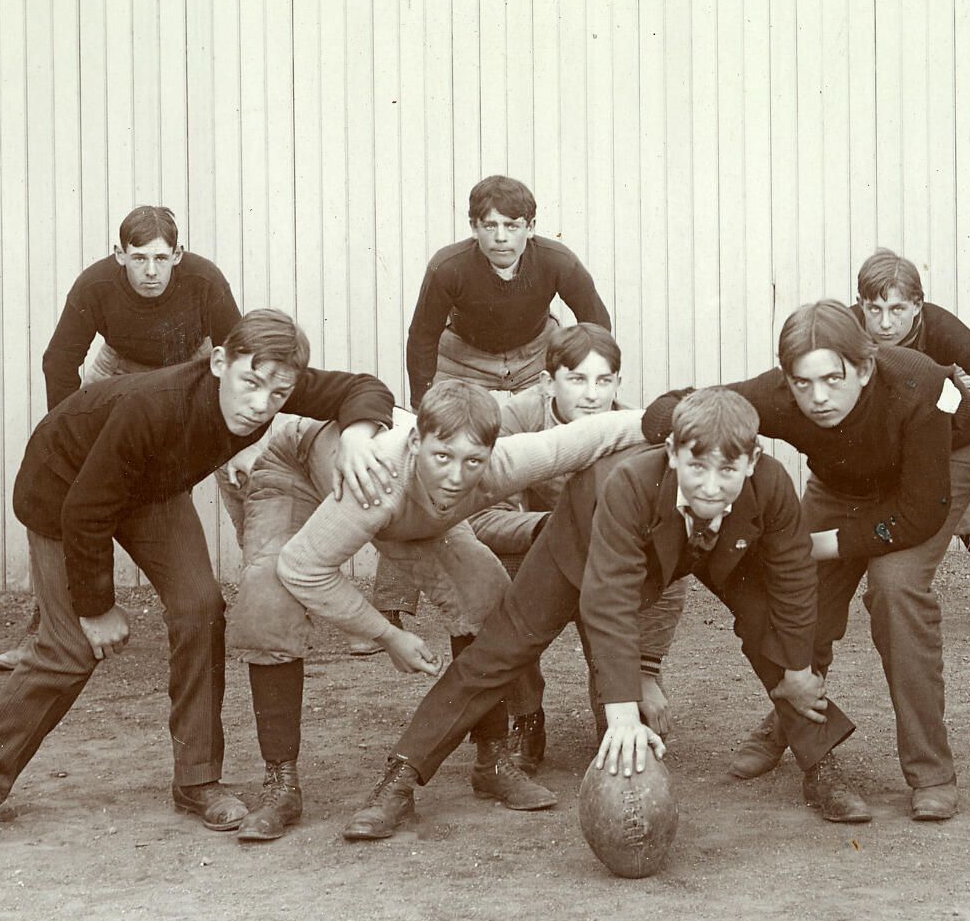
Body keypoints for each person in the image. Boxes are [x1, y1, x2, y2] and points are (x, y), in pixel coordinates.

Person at [0, 310, 400, 845]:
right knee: (70, 648)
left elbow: (364, 387)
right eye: (250, 384)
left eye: (278, 394)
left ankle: (197, 779)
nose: (261, 404)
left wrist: (358, 436)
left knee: (200, 609)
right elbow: (86, 510)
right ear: (219, 362)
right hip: (63, 492)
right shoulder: (155, 406)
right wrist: (96, 608)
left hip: (147, 488)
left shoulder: (270, 379)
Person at [341, 388, 857, 840]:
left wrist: (796, 669)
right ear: (672, 453)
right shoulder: (627, 483)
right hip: (584, 542)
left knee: (772, 630)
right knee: (503, 648)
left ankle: (822, 764)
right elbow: (610, 602)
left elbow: (793, 578)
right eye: (697, 466)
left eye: (728, 470)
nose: (711, 484)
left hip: (711, 544)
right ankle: (400, 778)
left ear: (752, 461)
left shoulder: (771, 485)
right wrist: (623, 714)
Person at [221, 381, 649, 841]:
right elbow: (303, 568)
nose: (457, 477)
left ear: (491, 454)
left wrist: (679, 415)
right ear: (415, 442)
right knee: (269, 598)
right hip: (302, 472)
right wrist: (387, 635)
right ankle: (280, 784)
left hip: (407, 511)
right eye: (442, 457)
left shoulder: (496, 465)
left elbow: (587, 436)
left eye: (472, 462)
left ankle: (493, 760)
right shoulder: (380, 479)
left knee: (486, 592)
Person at [642, 300, 970, 822]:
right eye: (803, 383)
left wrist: (818, 546)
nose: (819, 397)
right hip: (846, 478)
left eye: (834, 379)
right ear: (786, 380)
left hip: (938, 467)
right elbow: (670, 412)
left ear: (865, 367)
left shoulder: (917, 385)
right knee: (795, 593)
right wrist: (658, 421)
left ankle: (931, 770)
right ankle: (792, 720)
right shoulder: (777, 395)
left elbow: (919, 514)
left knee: (895, 589)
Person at [373, 322, 679, 769]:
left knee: (631, 742)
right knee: (495, 598)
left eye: (604, 381)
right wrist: (553, 528)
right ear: (547, 381)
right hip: (531, 549)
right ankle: (526, 716)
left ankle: (618, 705)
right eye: (577, 379)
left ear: (619, 382)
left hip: (603, 562)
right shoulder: (513, 420)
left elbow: (670, 562)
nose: (592, 395)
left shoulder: (637, 434)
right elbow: (477, 517)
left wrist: (645, 669)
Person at [0, 205, 243, 672]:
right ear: (119, 254)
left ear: (178, 255)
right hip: (119, 368)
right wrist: (68, 433)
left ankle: (264, 601)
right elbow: (58, 360)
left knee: (245, 474)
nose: (151, 272)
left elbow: (238, 356)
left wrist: (238, 442)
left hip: (191, 367)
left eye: (161, 259)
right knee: (71, 481)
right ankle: (46, 629)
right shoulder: (96, 284)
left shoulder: (205, 280)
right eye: (139, 258)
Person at [855, 248, 970, 630]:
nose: (885, 323)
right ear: (860, 304)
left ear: (918, 305)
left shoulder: (939, 328)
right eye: (874, 309)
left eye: (897, 309)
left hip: (939, 426)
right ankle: (822, 601)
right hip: (876, 432)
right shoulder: (845, 329)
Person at [403, 175, 612, 406]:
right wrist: (421, 403)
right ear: (474, 227)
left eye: (512, 226)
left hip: (536, 353)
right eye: (490, 226)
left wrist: (593, 384)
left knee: (561, 418)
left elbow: (596, 324)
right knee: (442, 419)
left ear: (530, 227)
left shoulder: (558, 261)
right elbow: (423, 336)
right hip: (463, 355)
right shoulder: (446, 266)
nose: (500, 237)